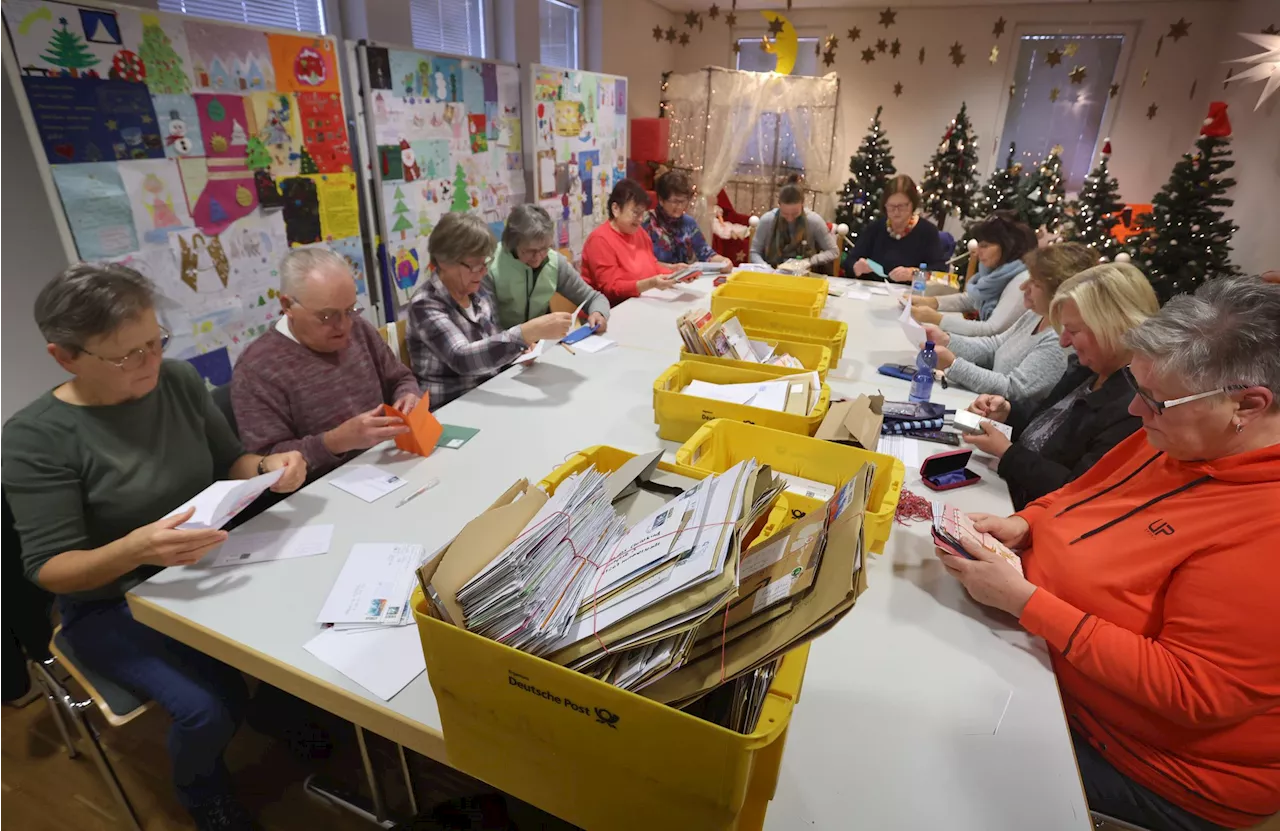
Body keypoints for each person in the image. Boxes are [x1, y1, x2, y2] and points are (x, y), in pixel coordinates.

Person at [935, 276, 1280, 831]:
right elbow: (1080, 495)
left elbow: (1193, 691)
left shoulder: (1265, 526)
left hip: (1150, 768)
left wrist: (1028, 604)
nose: (1137, 413)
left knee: (935, 765)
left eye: (1155, 401)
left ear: (1248, 405)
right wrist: (1024, 523)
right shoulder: (1177, 434)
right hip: (1050, 669)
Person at [0, 264, 307, 830]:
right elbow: (50, 569)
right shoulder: (34, 439)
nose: (148, 363)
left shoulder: (179, 381)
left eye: (154, 342)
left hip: (205, 562)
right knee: (209, 709)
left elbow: (228, 464)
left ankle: (283, 714)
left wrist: (268, 467)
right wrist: (136, 549)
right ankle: (201, 791)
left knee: (305, 627)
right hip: (110, 600)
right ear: (65, 357)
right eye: (125, 356)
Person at [961, 263, 1160, 509]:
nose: (1064, 342)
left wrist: (1008, 454)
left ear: (1114, 328)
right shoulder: (1088, 370)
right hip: (1004, 492)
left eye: (1073, 331)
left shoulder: (1133, 406)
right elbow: (1046, 427)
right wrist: (1007, 412)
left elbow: (1081, 492)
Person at [232, 248, 423, 480]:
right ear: (288, 306)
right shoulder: (257, 368)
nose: (344, 326)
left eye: (350, 309)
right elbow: (266, 461)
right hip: (321, 490)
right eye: (327, 316)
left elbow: (400, 378)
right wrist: (334, 442)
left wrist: (408, 395)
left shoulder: (359, 328)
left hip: (386, 464)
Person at [408, 212, 572, 408]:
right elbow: (462, 358)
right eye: (474, 266)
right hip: (451, 407)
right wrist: (525, 333)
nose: (483, 272)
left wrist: (518, 353)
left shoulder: (477, 292)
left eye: (484, 263)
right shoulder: (425, 303)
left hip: (488, 392)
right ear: (444, 262)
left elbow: (491, 342)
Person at [921, 243, 1092, 405]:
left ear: (1060, 293)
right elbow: (994, 346)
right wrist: (946, 340)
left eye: (1035, 284)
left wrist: (952, 365)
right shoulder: (1036, 315)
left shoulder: (1059, 340)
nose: (1024, 287)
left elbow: (1014, 390)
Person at [485, 203, 610, 332]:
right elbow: (490, 327)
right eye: (530, 251)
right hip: (505, 345)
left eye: (544, 248)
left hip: (541, 342)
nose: (538, 257)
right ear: (512, 244)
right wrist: (518, 342)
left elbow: (594, 298)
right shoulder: (490, 267)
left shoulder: (553, 261)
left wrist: (598, 313)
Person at [910, 212, 1037, 335]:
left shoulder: (1021, 281)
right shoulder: (997, 271)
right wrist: (930, 302)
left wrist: (937, 319)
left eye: (985, 246)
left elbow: (992, 329)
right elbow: (972, 299)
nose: (978, 251)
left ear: (1008, 247)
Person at [582, 178, 681, 305]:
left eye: (642, 214)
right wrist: (651, 283)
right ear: (616, 209)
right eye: (635, 213)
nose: (640, 219)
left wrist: (677, 274)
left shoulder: (639, 232)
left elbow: (652, 266)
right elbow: (611, 289)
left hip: (638, 302)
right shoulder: (599, 240)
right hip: (608, 311)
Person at [847, 175, 947, 282]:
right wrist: (856, 267)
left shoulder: (927, 231)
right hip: (874, 292)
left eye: (902, 206)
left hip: (910, 295)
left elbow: (940, 273)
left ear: (912, 205)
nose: (896, 212)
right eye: (891, 206)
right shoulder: (875, 228)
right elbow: (850, 261)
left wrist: (913, 274)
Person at [641, 170, 732, 271]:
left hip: (683, 281)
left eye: (683, 201)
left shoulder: (689, 223)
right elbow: (641, 261)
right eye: (675, 201)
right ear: (661, 200)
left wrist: (723, 262)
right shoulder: (645, 221)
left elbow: (706, 253)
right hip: (654, 281)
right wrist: (671, 268)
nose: (680, 206)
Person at [749, 176, 839, 274]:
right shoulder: (767, 220)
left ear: (802, 204)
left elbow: (833, 251)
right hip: (772, 274)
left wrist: (809, 261)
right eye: (785, 214)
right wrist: (766, 268)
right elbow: (754, 252)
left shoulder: (814, 221)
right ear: (779, 205)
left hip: (805, 276)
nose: (790, 218)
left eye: (795, 213)